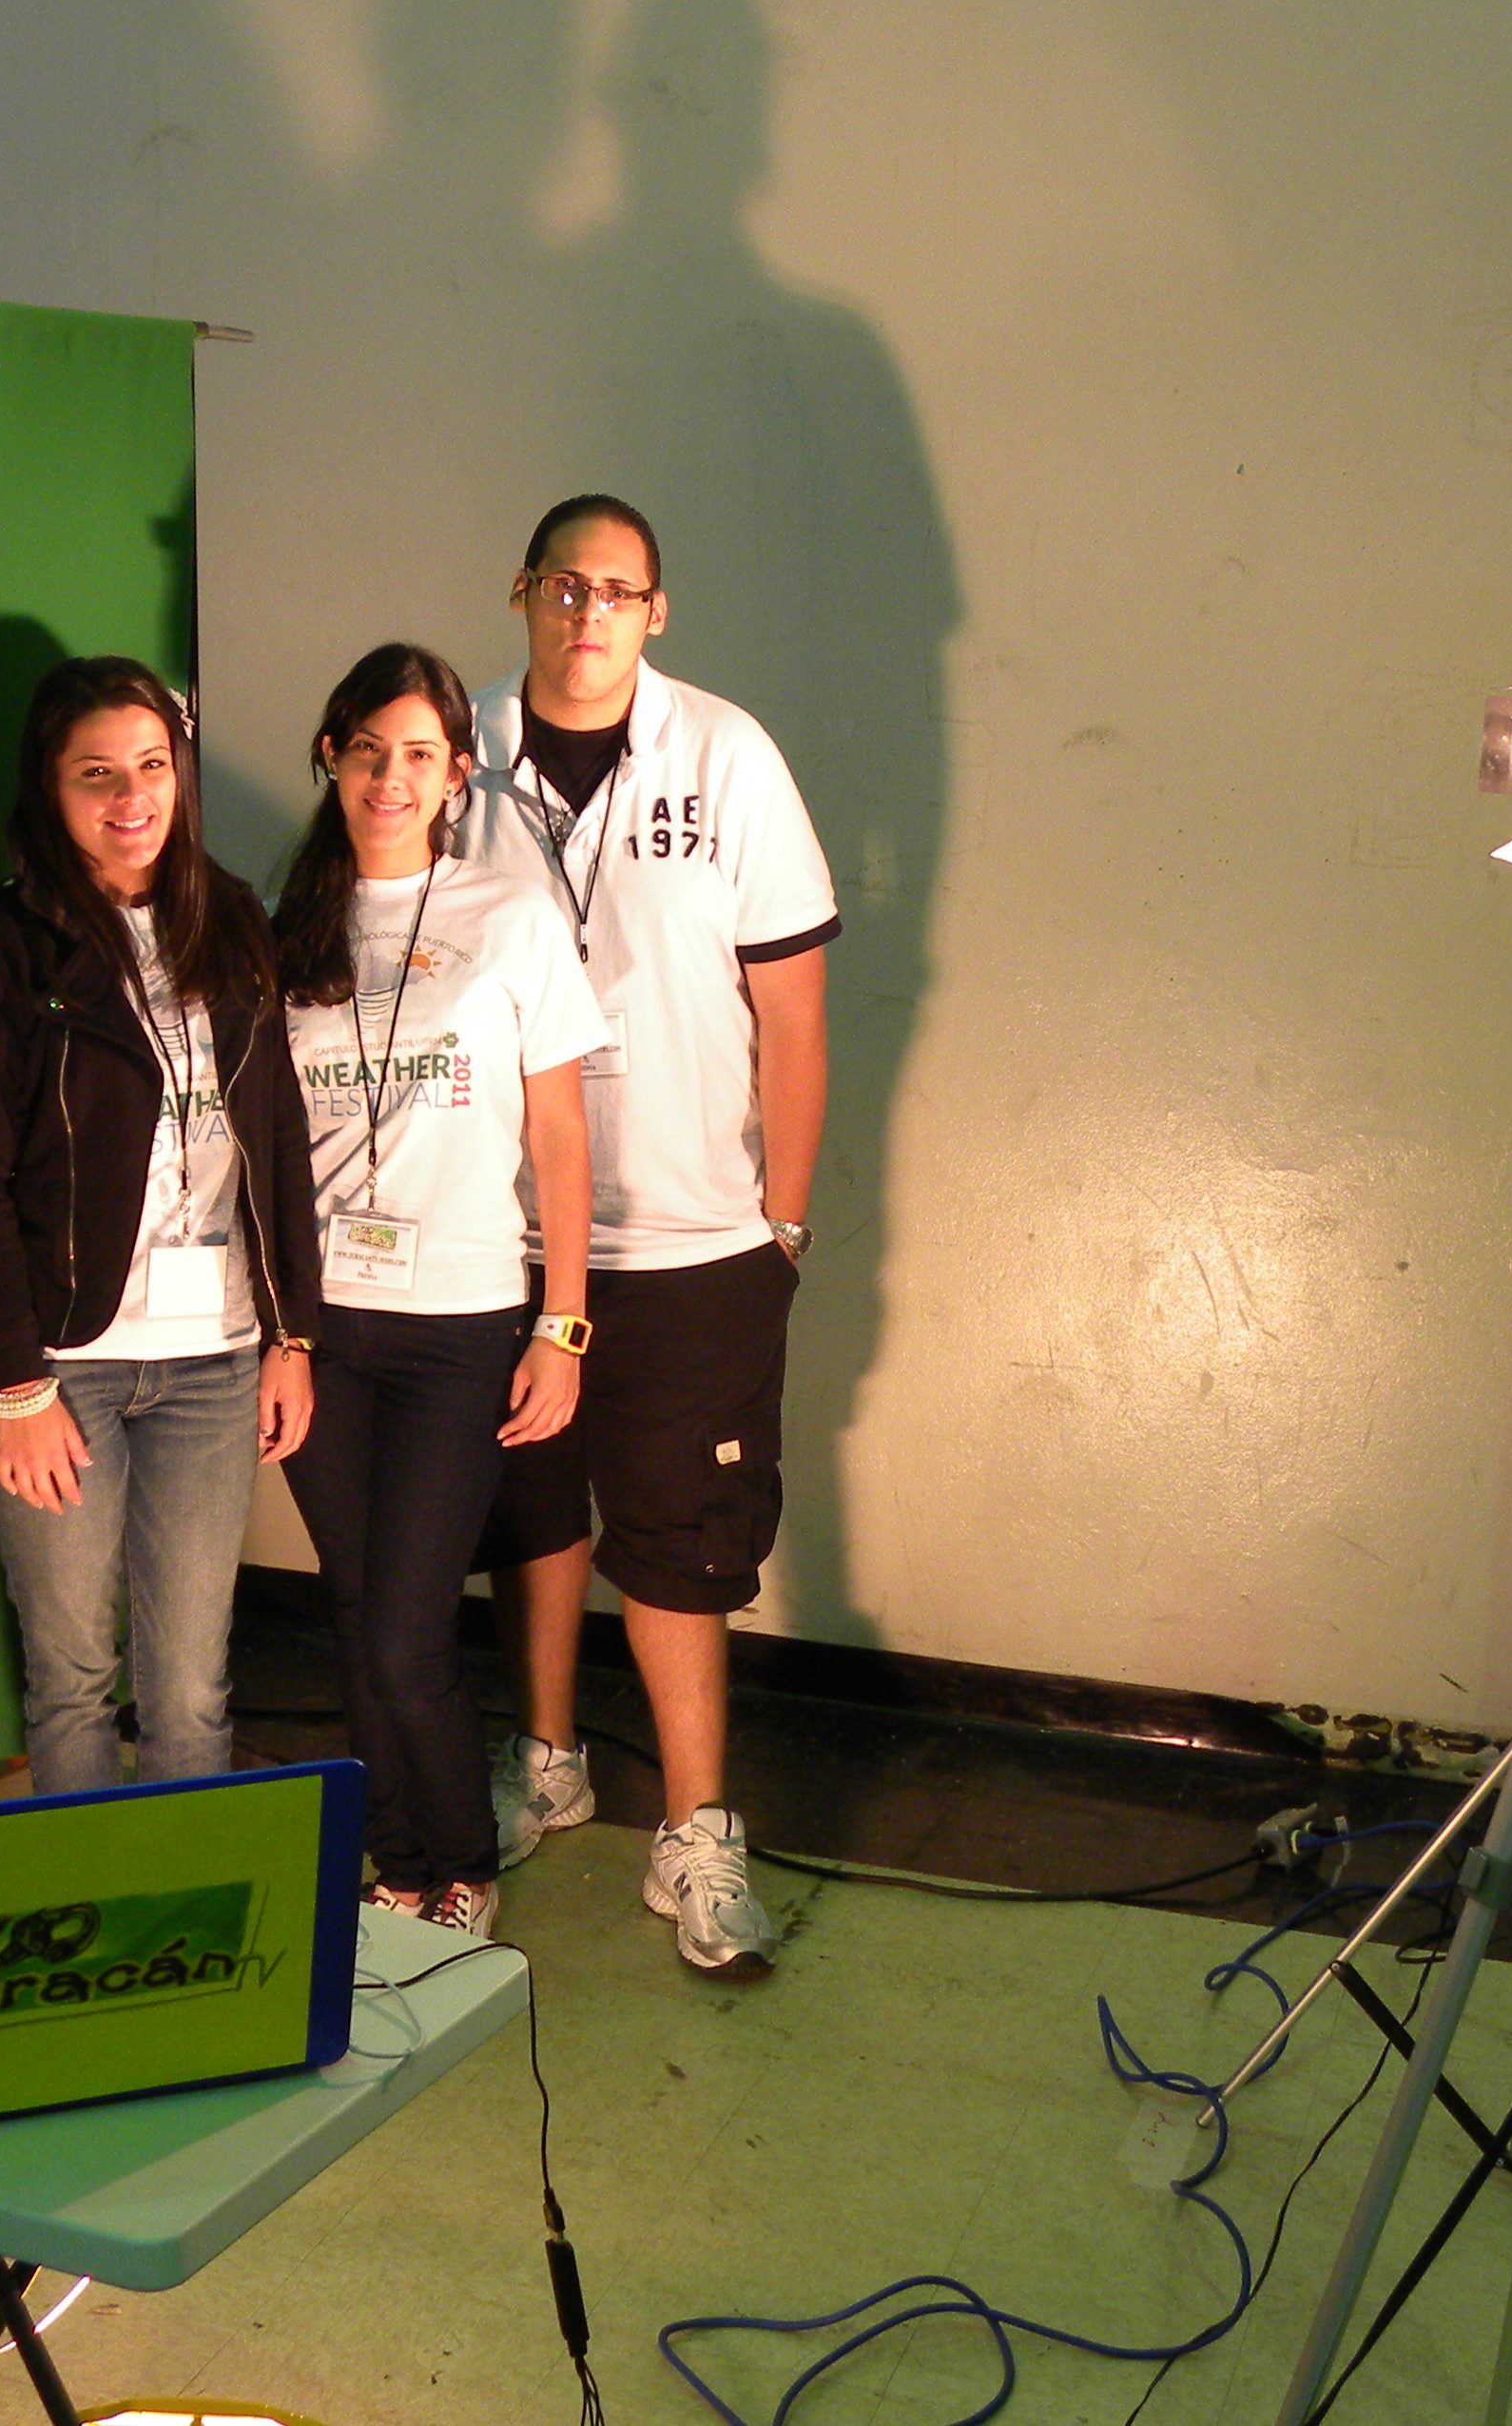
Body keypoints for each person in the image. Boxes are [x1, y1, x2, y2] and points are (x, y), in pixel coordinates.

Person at [461, 494, 836, 1977]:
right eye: (565, 585)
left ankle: (695, 1829)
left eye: (617, 591)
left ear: (655, 612)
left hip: (694, 1237)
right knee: (531, 1512)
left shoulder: (726, 756)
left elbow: (792, 1018)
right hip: (498, 1228)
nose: (588, 613)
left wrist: (781, 1221)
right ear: (523, 593)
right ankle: (547, 1760)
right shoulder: (455, 750)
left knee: (680, 1542)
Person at [0, 656, 321, 1795]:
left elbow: (277, 1139)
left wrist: (292, 1334)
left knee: (192, 1682)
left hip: (215, 1355)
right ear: (48, 786)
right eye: (95, 773)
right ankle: (89, 1893)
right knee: (71, 1675)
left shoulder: (230, 916)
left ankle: (183, 1890)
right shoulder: (1, 941)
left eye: (152, 765)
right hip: (63, 1364)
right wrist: (15, 1383)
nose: (131, 796)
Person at [275, 644, 604, 1937]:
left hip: (462, 1326)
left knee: (409, 1629)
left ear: (458, 773)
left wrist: (561, 1326)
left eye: (419, 754)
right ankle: (397, 1864)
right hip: (323, 1328)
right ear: (331, 758)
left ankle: (464, 1857)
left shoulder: (509, 917)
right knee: (360, 1616)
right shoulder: (282, 927)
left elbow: (562, 1135)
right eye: (368, 751)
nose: (390, 778)